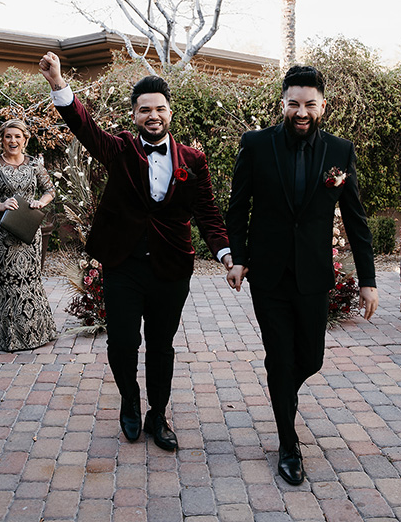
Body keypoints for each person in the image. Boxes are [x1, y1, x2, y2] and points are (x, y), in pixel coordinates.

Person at [39, 51, 232, 450]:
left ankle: (157, 415)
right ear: (134, 116)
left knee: (162, 345)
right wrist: (58, 82)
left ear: (170, 113)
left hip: (171, 267)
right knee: (123, 341)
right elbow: (84, 126)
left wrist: (226, 254)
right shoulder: (121, 149)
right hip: (123, 264)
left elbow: (208, 211)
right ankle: (129, 400)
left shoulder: (193, 160)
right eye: (145, 110)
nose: (153, 115)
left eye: (160, 108)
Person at [226, 65, 378, 485]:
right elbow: (237, 209)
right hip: (269, 274)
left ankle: (283, 392)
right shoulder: (256, 145)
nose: (302, 111)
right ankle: (288, 443)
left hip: (314, 275)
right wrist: (237, 258)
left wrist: (367, 280)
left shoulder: (339, 151)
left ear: (322, 106)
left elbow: (356, 219)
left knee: (309, 358)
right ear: (283, 104)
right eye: (294, 103)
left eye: (310, 104)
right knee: (279, 357)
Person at [0, 119, 57, 352]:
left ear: (25, 139)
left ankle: (36, 334)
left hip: (28, 231)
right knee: (5, 282)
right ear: (2, 139)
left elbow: (50, 190)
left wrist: (41, 201)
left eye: (18, 136)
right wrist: (1, 205)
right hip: (0, 235)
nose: (13, 141)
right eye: (9, 136)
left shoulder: (34, 165)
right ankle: (5, 338)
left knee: (30, 280)